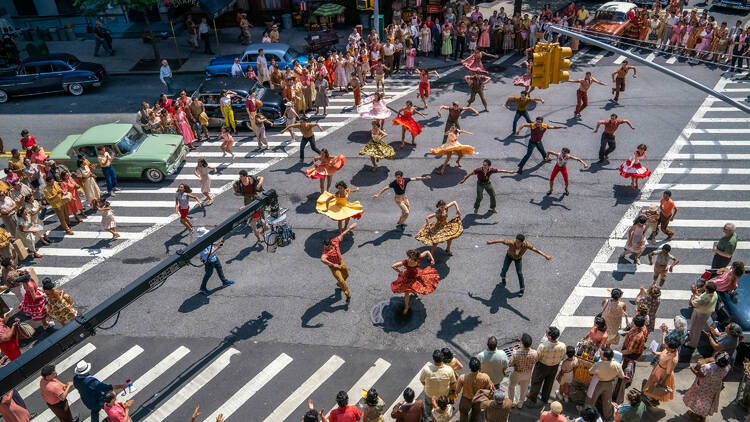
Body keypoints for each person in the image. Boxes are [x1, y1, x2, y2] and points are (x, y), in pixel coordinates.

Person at [486, 234, 553, 297]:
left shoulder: (526, 245)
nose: (516, 243)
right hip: (509, 256)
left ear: (522, 242)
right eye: (516, 241)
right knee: (504, 269)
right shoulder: (511, 243)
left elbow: (536, 250)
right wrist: (491, 242)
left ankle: (522, 289)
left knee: (519, 273)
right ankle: (503, 277)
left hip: (518, 259)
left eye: (518, 242)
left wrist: (545, 255)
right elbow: (501, 241)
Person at [683, 351, 731, 421]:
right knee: (708, 401)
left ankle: (697, 416)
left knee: (700, 400)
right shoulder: (727, 367)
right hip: (715, 387)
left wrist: (692, 368)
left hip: (704, 386)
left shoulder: (708, 367)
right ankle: (703, 415)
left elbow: (699, 374)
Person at [525, 326, 566, 408]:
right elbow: (562, 357)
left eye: (546, 332)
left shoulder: (543, 346)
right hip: (554, 367)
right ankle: (545, 398)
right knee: (549, 383)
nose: (546, 333)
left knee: (536, 382)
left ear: (549, 336)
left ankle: (532, 397)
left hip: (542, 367)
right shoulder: (562, 346)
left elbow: (537, 358)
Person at [391, 249, 439, 315]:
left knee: (419, 285)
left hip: (416, 275)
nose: (409, 259)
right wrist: (400, 272)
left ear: (416, 259)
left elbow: (427, 251)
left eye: (411, 258)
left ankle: (414, 292)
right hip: (407, 277)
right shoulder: (405, 262)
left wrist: (432, 259)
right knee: (407, 292)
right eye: (409, 257)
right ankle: (407, 306)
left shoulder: (419, 257)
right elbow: (393, 266)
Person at [320, 222, 357, 305]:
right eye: (325, 247)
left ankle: (339, 284)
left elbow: (343, 234)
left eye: (327, 247)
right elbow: (322, 259)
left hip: (341, 262)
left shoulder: (335, 241)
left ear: (330, 244)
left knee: (346, 275)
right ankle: (348, 295)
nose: (325, 248)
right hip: (334, 267)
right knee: (342, 280)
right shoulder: (325, 252)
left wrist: (351, 227)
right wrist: (333, 265)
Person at [585, 347, 624, 421]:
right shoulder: (617, 365)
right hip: (610, 384)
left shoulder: (598, 364)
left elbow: (590, 372)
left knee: (591, 399)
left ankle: (588, 415)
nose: (600, 355)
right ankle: (608, 417)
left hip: (598, 383)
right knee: (607, 402)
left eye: (601, 354)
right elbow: (621, 376)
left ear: (605, 358)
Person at [420, 349, 457, 419]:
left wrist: (426, 385)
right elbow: (453, 382)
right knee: (442, 408)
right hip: (443, 396)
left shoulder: (426, 369)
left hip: (430, 394)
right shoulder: (449, 370)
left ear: (433, 359)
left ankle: (430, 417)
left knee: (428, 406)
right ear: (442, 358)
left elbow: (422, 380)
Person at [197, 227, 235, 295]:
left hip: (214, 258)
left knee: (219, 269)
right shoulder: (201, 244)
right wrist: (218, 248)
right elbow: (207, 254)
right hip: (209, 261)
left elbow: (211, 243)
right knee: (208, 274)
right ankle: (202, 288)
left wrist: (219, 242)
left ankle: (224, 281)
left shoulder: (204, 239)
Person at [643, 337, 679, 406]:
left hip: (662, 374)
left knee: (657, 388)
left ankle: (655, 400)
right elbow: (663, 353)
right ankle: (653, 399)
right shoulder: (670, 349)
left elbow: (668, 372)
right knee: (653, 385)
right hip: (659, 368)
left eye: (668, 347)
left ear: (673, 348)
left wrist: (662, 382)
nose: (666, 347)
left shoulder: (672, 359)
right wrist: (655, 353)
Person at [456, 357, 494, 422]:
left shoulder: (462, 377)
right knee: (475, 415)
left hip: (466, 400)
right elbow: (487, 389)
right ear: (479, 367)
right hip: (478, 400)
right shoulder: (485, 377)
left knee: (463, 414)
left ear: (469, 367)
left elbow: (457, 391)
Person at [507, 333, 538, 408]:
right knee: (524, 389)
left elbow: (510, 363)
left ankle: (512, 402)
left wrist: (513, 352)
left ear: (522, 343)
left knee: (511, 386)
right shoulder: (535, 353)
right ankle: (520, 403)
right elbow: (535, 361)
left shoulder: (516, 353)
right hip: (527, 373)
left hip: (517, 373)